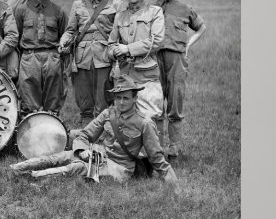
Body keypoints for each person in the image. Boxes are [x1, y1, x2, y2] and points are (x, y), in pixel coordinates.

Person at [10, 75, 178, 184]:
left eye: (126, 98)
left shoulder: (144, 123)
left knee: (75, 168)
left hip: (120, 169)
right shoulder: (107, 114)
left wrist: (174, 186)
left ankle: (33, 179)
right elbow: (85, 135)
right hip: (99, 155)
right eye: (118, 98)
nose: (121, 102)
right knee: (60, 156)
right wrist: (82, 151)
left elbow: (157, 159)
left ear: (135, 98)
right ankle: (16, 169)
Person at [147, 0, 207, 162]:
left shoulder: (184, 8)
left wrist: (188, 44)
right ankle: (156, 149)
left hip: (177, 61)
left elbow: (201, 27)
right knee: (155, 105)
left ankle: (173, 150)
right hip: (154, 60)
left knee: (175, 105)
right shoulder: (149, 9)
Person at [58, 0, 123, 127]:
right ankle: (86, 137)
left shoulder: (116, 5)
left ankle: (105, 139)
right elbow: (70, 30)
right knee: (84, 100)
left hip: (104, 58)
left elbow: (121, 32)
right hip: (82, 59)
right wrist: (64, 40)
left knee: (105, 101)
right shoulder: (78, 5)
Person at [106, 0, 165, 123]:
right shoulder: (120, 16)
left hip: (147, 75)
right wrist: (115, 52)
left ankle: (155, 148)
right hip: (125, 76)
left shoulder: (154, 12)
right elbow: (110, 45)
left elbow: (157, 40)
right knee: (126, 119)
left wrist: (128, 48)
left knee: (151, 118)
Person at [13, 0, 68, 115]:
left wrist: (60, 60)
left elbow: (65, 36)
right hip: (29, 58)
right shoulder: (22, 10)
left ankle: (53, 133)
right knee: (29, 104)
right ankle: (30, 134)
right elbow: (15, 36)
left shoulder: (59, 11)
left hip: (52, 57)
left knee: (53, 102)